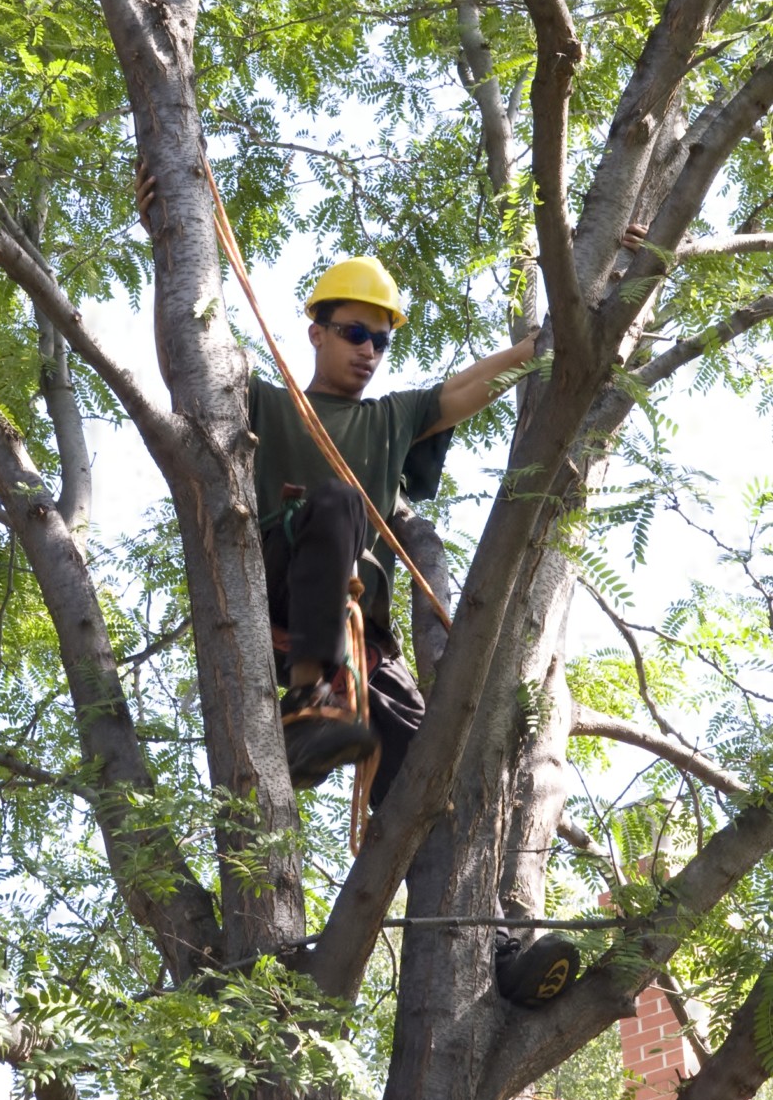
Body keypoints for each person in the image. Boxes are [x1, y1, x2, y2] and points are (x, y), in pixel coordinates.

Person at [136, 164, 579, 1006]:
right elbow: (183, 352)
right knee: (337, 501)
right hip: (276, 596)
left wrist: (556, 335)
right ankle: (310, 705)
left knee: (432, 776)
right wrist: (162, 237)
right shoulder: (262, 402)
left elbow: (467, 388)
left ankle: (501, 951)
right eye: (353, 334)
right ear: (314, 331)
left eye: (381, 340)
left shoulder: (389, 420)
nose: (370, 353)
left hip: (359, 641)